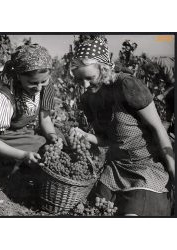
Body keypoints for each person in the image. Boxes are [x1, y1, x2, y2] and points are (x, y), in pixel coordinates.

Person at [70, 37, 175, 216]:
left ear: (103, 69)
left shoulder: (127, 85)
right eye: (80, 80)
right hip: (114, 170)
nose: (85, 85)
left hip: (146, 169)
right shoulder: (89, 98)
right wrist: (86, 136)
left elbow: (158, 128)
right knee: (92, 211)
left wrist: (173, 170)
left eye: (89, 78)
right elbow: (106, 141)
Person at [0, 43, 59, 190]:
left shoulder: (44, 87)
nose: (39, 87)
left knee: (57, 140)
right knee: (37, 149)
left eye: (43, 81)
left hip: (21, 132)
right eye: (33, 83)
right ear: (18, 76)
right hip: (0, 136)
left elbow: (45, 119)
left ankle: (23, 170)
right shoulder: (4, 97)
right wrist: (23, 155)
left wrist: (52, 136)